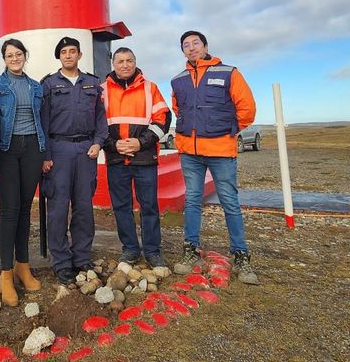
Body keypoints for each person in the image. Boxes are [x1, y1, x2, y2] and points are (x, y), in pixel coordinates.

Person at [170, 30, 259, 285]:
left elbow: (247, 108)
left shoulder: (229, 72)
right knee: (192, 201)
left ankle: (241, 255)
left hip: (220, 150)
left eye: (195, 43)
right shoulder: (178, 80)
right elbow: (179, 109)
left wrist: (226, 128)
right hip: (190, 152)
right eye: (185, 45)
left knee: (230, 202)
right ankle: (190, 251)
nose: (191, 48)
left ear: (206, 45)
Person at [40, 37, 108, 285]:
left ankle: (81, 257)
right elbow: (42, 122)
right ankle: (61, 261)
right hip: (57, 151)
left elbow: (101, 118)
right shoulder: (48, 85)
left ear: (79, 55)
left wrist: (98, 142)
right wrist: (45, 155)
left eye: (72, 51)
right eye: (64, 52)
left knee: (83, 208)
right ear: (59, 56)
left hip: (85, 150)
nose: (68, 55)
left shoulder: (92, 83)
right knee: (57, 209)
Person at [101, 47, 172, 268]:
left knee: (149, 205)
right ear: (113, 63)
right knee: (121, 206)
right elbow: (96, 125)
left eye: (129, 60)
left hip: (144, 158)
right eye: (120, 61)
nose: (125, 65)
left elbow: (163, 119)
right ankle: (130, 249)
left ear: (135, 62)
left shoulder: (150, 88)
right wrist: (114, 145)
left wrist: (141, 142)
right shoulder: (101, 90)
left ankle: (152, 251)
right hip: (116, 158)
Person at [0, 39, 47, 306]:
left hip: (33, 147)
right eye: (9, 55)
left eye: (18, 54)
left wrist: (45, 153)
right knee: (9, 210)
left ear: (25, 55)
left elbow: (43, 119)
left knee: (25, 208)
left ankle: (23, 266)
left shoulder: (36, 87)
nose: (15, 58)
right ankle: (5, 274)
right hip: (6, 149)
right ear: (4, 58)